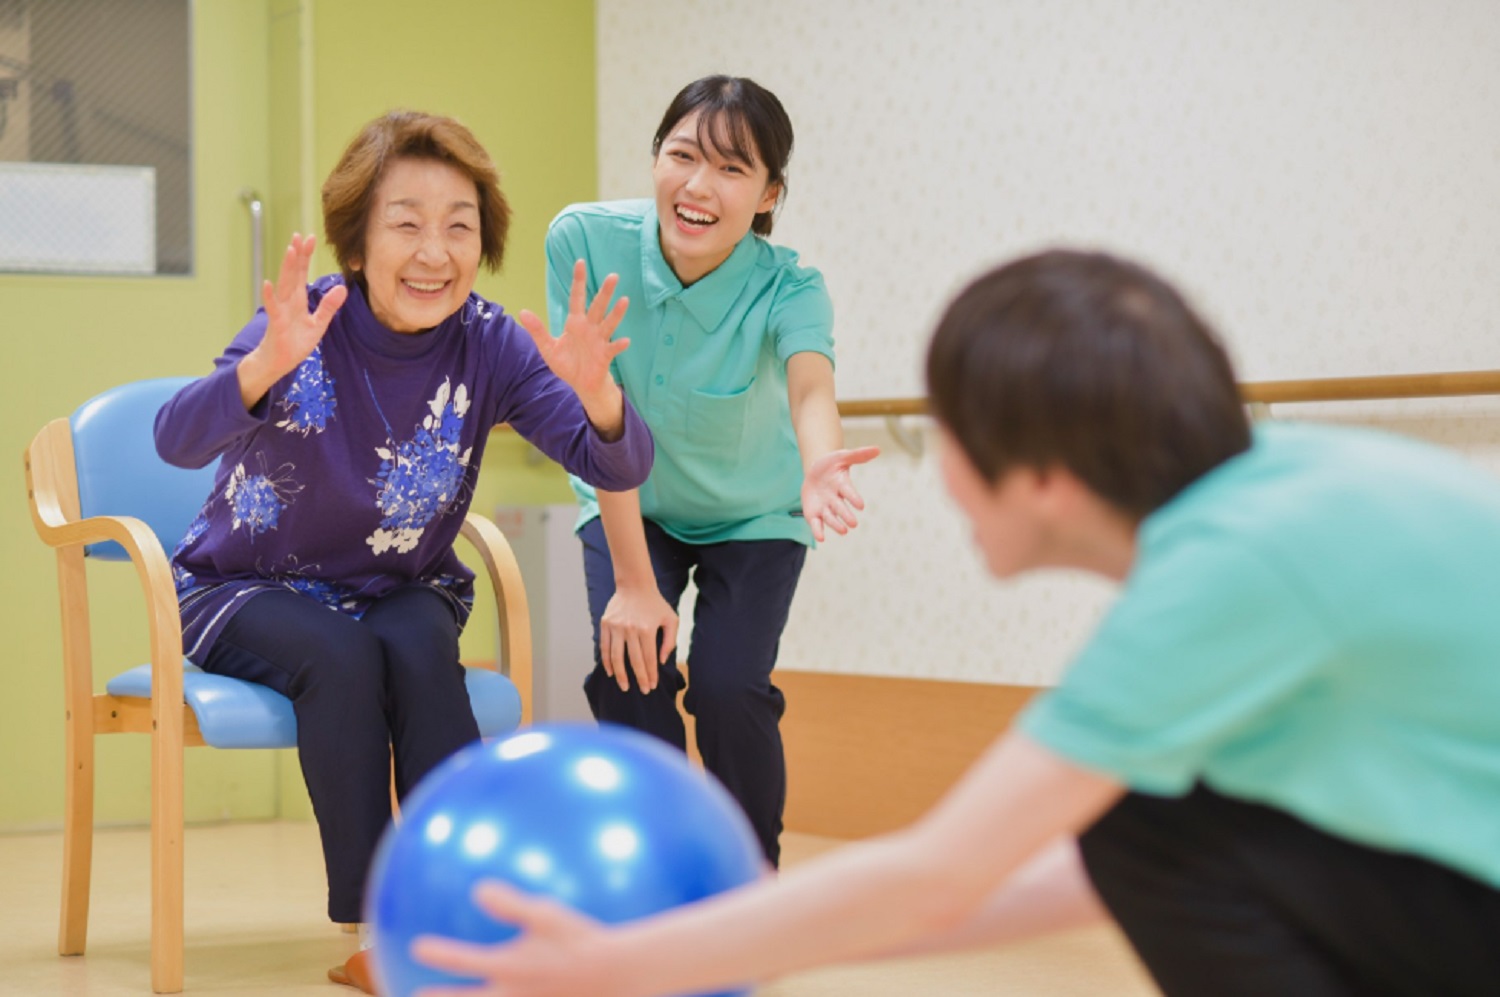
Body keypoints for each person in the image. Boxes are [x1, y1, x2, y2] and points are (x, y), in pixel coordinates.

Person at [411, 249, 1500, 997]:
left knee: (1141, 821)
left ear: (1045, 478)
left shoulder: (1233, 572)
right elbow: (1059, 878)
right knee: (1150, 822)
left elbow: (943, 869)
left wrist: (622, 963)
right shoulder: (1285, 494)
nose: (950, 478)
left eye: (957, 439)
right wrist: (696, 948)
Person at [153, 110, 653, 992]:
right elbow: (174, 438)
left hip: (400, 582)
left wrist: (601, 397)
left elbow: (615, 459)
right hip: (245, 585)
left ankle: (464, 910)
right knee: (341, 655)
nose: (435, 251)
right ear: (356, 242)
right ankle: (383, 923)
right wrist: (260, 369)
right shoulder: (306, 320)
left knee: (423, 644)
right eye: (407, 223)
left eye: (459, 225)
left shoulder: (491, 342)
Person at [542, 75, 879, 866]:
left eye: (732, 169)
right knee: (631, 672)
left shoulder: (789, 286)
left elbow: (810, 385)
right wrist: (633, 581)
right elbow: (598, 413)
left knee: (729, 686)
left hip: (755, 511)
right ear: (654, 159)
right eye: (682, 155)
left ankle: (746, 876)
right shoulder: (586, 243)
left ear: (769, 194)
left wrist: (822, 455)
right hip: (632, 497)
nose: (698, 187)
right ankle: (660, 867)